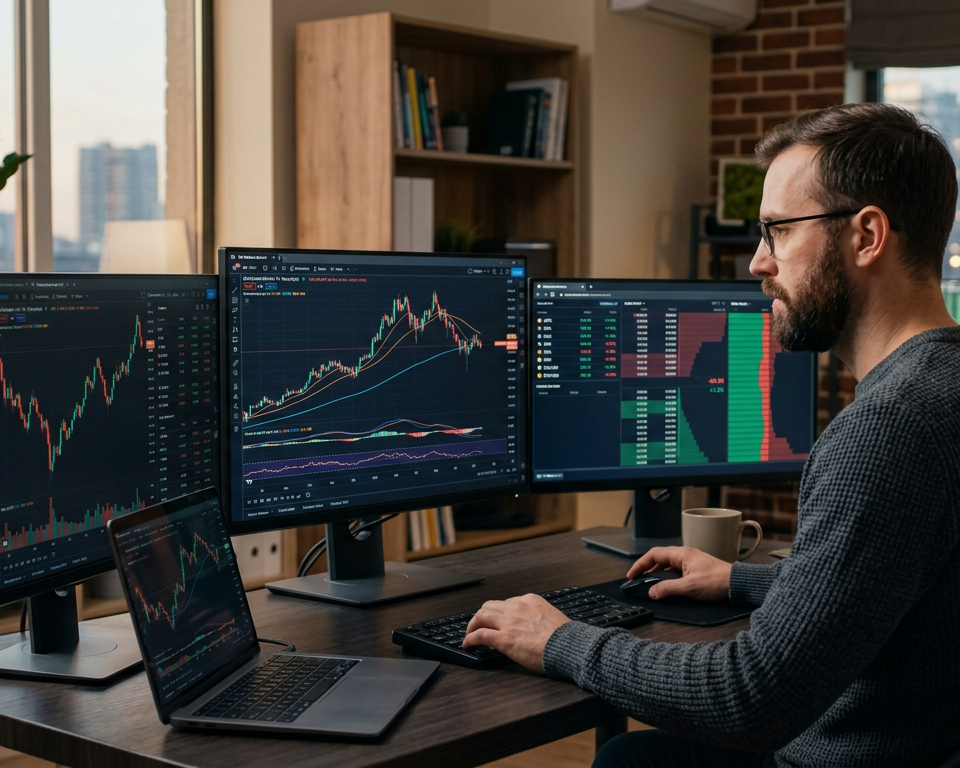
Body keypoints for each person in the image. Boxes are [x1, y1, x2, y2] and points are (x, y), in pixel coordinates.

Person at [462, 102, 960, 768]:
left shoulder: (888, 426)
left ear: (867, 236)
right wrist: (741, 581)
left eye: (777, 231)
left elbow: (751, 697)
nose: (758, 262)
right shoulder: (943, 385)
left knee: (628, 762)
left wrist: (558, 640)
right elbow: (897, 590)